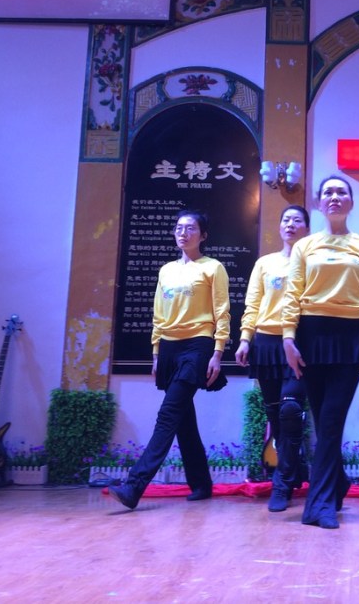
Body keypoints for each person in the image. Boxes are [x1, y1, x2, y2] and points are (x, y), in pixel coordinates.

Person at [281, 174, 359, 529]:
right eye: (328, 192)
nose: (335, 197)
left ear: (351, 202)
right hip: (311, 335)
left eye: (341, 192)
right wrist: (288, 337)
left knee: (331, 421)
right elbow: (293, 291)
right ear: (319, 202)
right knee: (323, 420)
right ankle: (336, 485)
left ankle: (320, 504)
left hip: (350, 336)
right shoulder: (305, 246)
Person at [109, 209, 230, 510]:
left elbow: (222, 312)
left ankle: (134, 485)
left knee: (167, 415)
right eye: (179, 228)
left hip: (198, 345)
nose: (183, 233)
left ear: (203, 235)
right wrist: (155, 353)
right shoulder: (166, 270)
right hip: (168, 348)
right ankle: (201, 483)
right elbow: (158, 314)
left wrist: (217, 353)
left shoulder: (213, 268)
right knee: (183, 420)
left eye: (190, 228)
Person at [235, 205, 311, 512]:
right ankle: (300, 471)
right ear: (279, 227)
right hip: (266, 343)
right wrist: (245, 339)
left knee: (291, 410)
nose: (290, 224)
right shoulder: (265, 263)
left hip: (299, 343)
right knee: (276, 416)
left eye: (297, 220)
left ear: (307, 228)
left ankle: (282, 484)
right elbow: (253, 303)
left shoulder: (312, 263)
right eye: (286, 219)